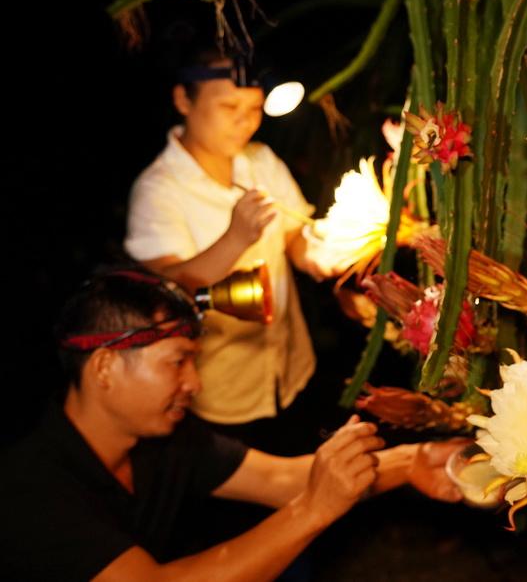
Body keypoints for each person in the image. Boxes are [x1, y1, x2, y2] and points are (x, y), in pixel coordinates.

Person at [0, 270, 463, 581]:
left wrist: (412, 460)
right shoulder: (30, 487)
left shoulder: (166, 439)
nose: (194, 383)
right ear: (104, 367)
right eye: (177, 362)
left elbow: (281, 481)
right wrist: (311, 511)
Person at [124, 47, 333, 452]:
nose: (245, 121)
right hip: (217, 394)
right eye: (229, 106)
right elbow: (165, 292)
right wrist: (236, 238)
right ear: (184, 100)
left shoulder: (260, 160)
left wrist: (320, 255)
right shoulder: (158, 191)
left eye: (254, 108)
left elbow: (294, 236)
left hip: (290, 368)